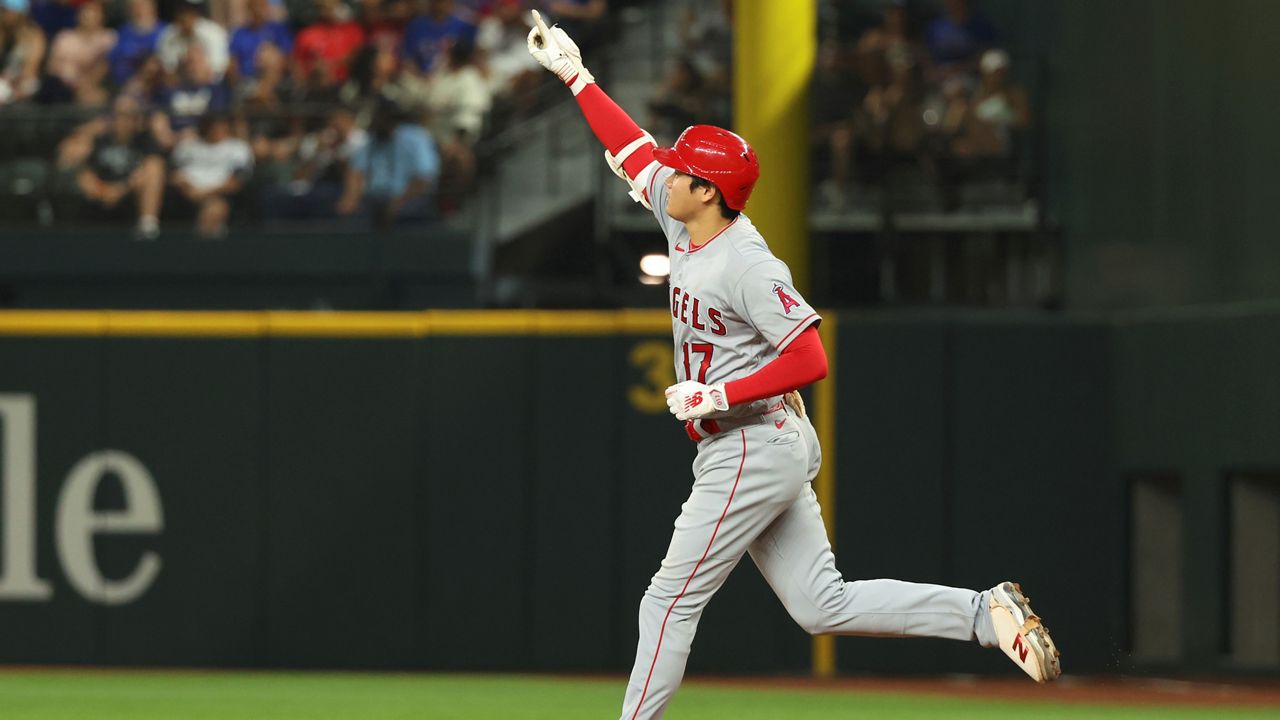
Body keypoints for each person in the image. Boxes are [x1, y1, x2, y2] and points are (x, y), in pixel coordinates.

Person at [524, 10, 1061, 718]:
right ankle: (981, 612)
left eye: (683, 170)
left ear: (709, 191)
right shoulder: (683, 215)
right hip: (757, 437)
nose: (668, 171)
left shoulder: (747, 262)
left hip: (751, 438)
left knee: (668, 599)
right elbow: (632, 147)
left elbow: (811, 355)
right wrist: (575, 75)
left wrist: (720, 395)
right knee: (820, 603)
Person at [335, 100, 439, 226]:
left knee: (404, 214)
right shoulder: (372, 140)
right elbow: (355, 170)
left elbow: (424, 176)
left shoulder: (415, 137)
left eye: (379, 118)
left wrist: (397, 203)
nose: (375, 122)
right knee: (342, 212)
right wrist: (351, 196)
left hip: (409, 198)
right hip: (374, 198)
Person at [75, 94, 164, 239]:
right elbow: (86, 171)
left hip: (130, 194)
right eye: (117, 115)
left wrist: (121, 189)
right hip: (100, 193)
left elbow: (149, 170)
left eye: (128, 116)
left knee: (154, 167)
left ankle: (148, 225)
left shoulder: (144, 140)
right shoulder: (101, 139)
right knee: (80, 167)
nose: (121, 121)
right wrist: (103, 191)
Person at [170, 113, 253, 237]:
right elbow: (174, 175)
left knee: (215, 208)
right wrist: (189, 190)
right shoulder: (188, 146)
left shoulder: (238, 148)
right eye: (213, 125)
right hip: (186, 195)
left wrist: (204, 193)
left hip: (219, 196)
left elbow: (236, 182)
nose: (217, 129)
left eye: (221, 125)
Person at [43, 0, 114, 105]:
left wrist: (86, 83)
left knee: (94, 98)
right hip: (62, 87)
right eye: (85, 11)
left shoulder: (108, 38)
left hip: (92, 86)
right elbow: (52, 67)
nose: (88, 15)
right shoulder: (64, 37)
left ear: (102, 16)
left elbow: (105, 65)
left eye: (93, 11)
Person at [156, 0, 229, 82]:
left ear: (196, 14)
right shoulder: (168, 36)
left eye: (189, 13)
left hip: (210, 86)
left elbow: (218, 71)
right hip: (179, 87)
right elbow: (168, 73)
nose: (185, 17)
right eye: (182, 13)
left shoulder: (214, 33)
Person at [108, 0, 165, 88]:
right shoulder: (123, 31)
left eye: (142, 5)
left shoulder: (164, 32)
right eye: (135, 6)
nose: (139, 10)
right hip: (120, 84)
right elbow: (113, 59)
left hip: (153, 86)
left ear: (152, 8)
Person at [0, 0, 46, 105]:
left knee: (28, 86)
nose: (4, 14)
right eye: (3, 10)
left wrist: (14, 82)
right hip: (3, 80)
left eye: (7, 10)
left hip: (24, 81)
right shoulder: (2, 32)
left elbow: (31, 67)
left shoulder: (33, 34)